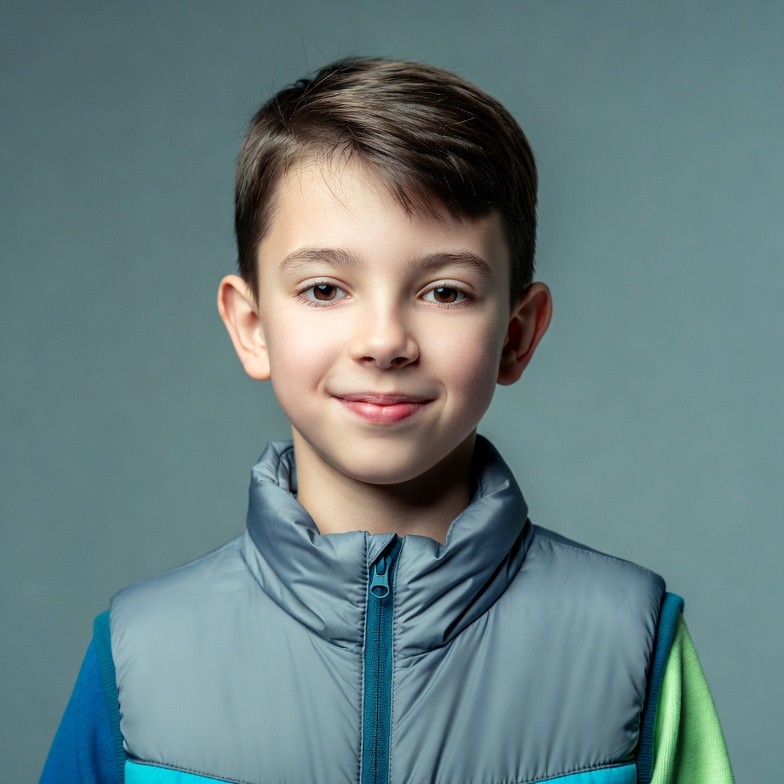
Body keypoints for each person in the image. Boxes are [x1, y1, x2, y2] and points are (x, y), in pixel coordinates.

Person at [41, 57, 734, 784]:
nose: (383, 341)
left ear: (518, 334)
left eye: (443, 291)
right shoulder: (138, 654)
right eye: (323, 287)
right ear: (251, 325)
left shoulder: (631, 637)